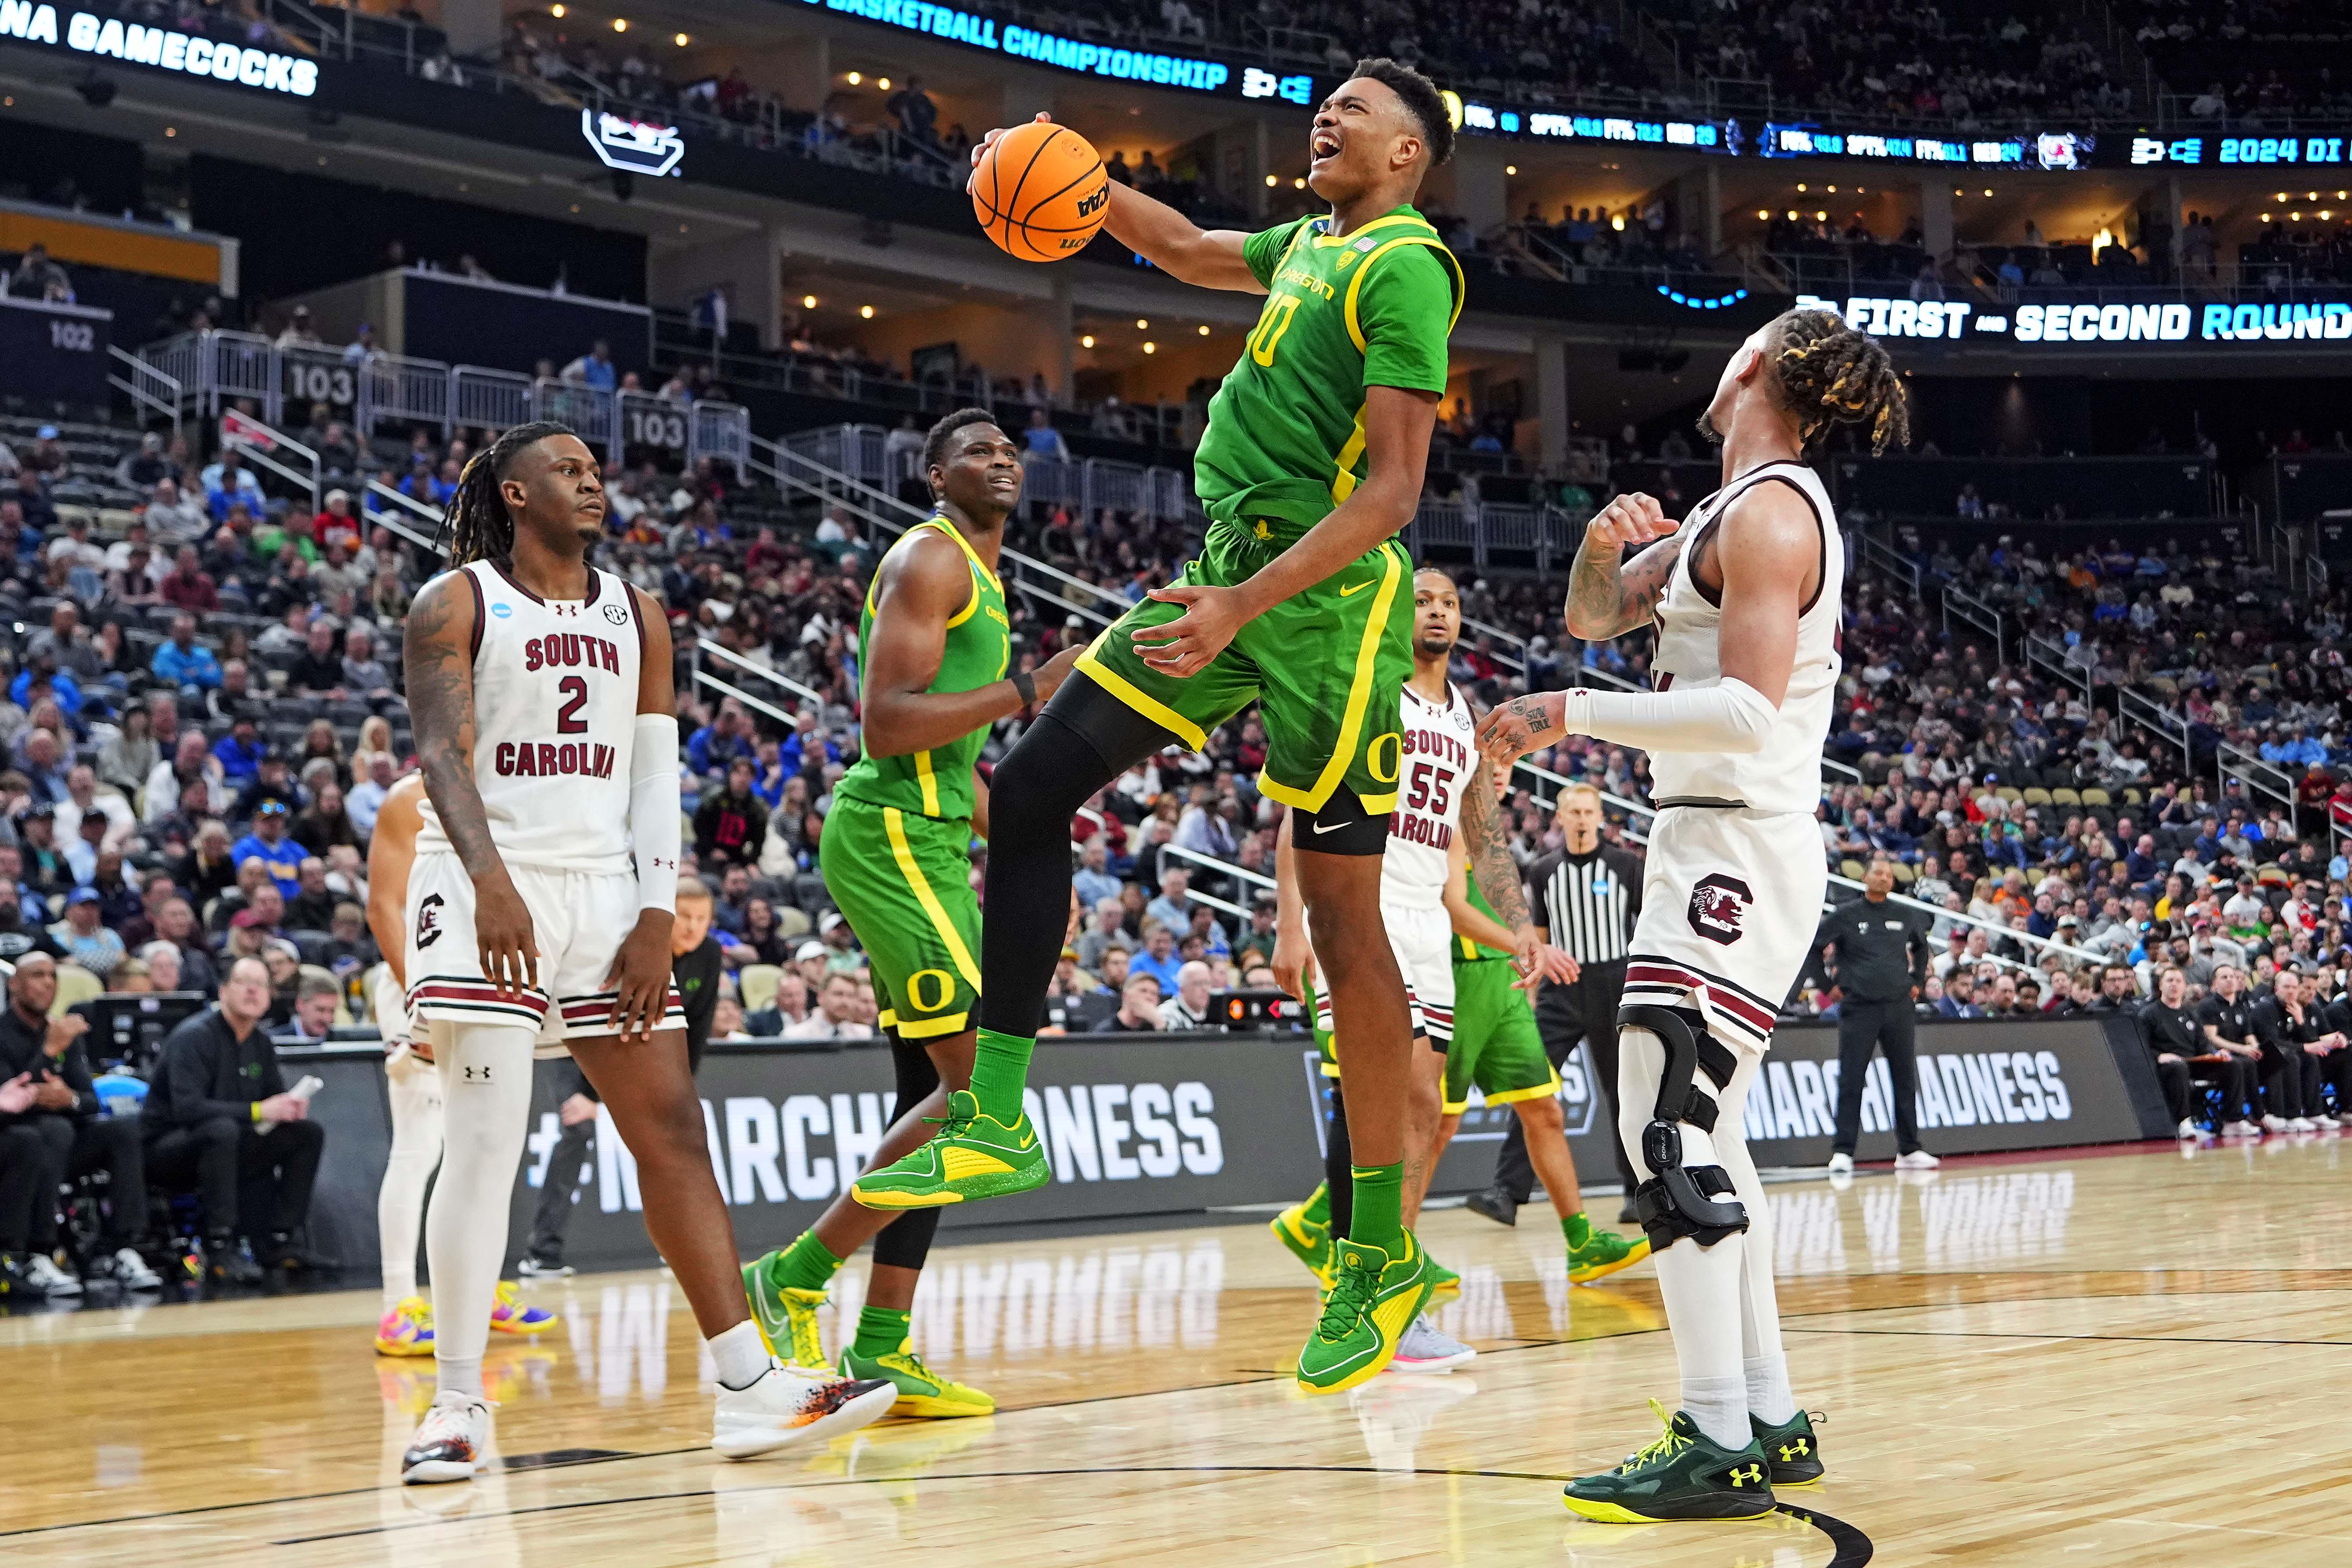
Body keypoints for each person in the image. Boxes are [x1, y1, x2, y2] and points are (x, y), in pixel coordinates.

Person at [871, 60, 1463, 1395]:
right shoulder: (1313, 240)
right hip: (1223, 576)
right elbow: (1189, 248)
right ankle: (994, 1111)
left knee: (1350, 927)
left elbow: (1390, 494)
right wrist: (1081, 174)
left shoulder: (1405, 270)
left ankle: (1375, 1254)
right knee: (1024, 794)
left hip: (1321, 612)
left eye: (1356, 112)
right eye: (1322, 103)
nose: (1326, 117)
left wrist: (1241, 605)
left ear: (1409, 156)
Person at [394, 421, 890, 1483]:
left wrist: (658, 912)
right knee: (484, 1137)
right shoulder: (458, 600)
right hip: (489, 881)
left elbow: (654, 777)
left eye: (594, 468)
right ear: (514, 493)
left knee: (671, 1127)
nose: (591, 480)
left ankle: (749, 1383)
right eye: (566, 469)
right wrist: (490, 882)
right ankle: (456, 1403)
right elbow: (439, 752)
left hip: (606, 897)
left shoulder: (640, 613)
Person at [1481, 307, 1911, 1520]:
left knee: (1662, 1123)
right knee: (1699, 1131)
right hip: (1708, 838)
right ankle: (1763, 1410)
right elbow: (1589, 614)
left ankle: (1713, 1428)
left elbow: (1746, 715)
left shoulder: (1773, 512)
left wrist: (1569, 714)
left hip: (1734, 836)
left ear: (1752, 368)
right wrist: (1596, 549)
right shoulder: (1726, 512)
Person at [752, 411, 1077, 1425]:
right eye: (978, 450)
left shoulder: (979, 578)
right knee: (982, 1105)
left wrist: (1034, 837)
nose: (1002, 460)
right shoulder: (929, 561)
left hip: (933, 837)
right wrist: (1028, 690)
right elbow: (887, 720)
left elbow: (956, 762)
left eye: (1009, 450)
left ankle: (882, 1345)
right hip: (890, 836)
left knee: (941, 1109)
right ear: (937, 475)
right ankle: (794, 1274)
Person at [522, 877, 725, 1279]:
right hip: (578, 1043)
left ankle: (681, 1247)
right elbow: (608, 1020)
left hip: (642, 1043)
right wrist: (590, 1096)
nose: (691, 925)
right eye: (683, 915)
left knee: (675, 1133)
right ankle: (542, 1253)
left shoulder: (710, 954)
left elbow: (697, 1027)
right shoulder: (635, 946)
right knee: (577, 1130)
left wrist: (683, 1088)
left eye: (701, 918)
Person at [1470, 781, 1645, 1226]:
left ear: (1600, 816)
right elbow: (1541, 938)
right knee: (1530, 1084)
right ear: (1560, 818)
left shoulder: (1627, 866)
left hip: (1614, 982)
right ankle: (1505, 1193)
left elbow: (1644, 930)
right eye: (1575, 812)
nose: (1583, 819)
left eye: (1590, 811)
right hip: (1559, 988)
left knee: (1622, 1092)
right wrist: (1532, 994)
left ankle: (1637, 1190)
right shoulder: (1544, 870)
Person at [143, 955, 328, 1284]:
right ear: (224, 991)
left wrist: (288, 1108)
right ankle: (219, 1245)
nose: (253, 991)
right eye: (245, 983)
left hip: (227, 1145)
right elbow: (187, 1109)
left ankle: (280, 1239)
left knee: (305, 1133)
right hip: (168, 1149)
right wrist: (260, 1111)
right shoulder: (194, 1037)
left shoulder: (260, 1043)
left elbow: (273, 1098)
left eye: (261, 985)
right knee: (223, 1130)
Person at [0, 953, 161, 1296]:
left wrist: (67, 1098)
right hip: (15, 1144)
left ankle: (125, 1247)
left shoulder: (65, 1032)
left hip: (64, 1143)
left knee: (123, 1129)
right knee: (42, 1133)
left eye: (52, 976)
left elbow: (89, 1101)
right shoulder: (5, 1033)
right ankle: (35, 1252)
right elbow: (12, 1098)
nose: (47, 983)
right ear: (14, 985)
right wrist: (48, 1051)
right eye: (37, 975)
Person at [1817, 857, 1936, 1174]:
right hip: (1859, 1007)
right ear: (1866, 877)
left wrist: (1916, 982)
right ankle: (1843, 1151)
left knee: (1904, 1077)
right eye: (1878, 873)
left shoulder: (1904, 913)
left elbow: (1921, 948)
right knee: (1852, 1078)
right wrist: (1827, 986)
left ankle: (1909, 1149)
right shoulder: (1845, 915)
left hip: (1898, 1006)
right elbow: (1814, 948)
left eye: (1888, 875)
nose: (1883, 878)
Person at [2149, 964, 2256, 1137]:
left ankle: (2233, 1121)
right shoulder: (2150, 1014)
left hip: (2195, 1063)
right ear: (2161, 985)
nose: (2174, 985)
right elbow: (2143, 1046)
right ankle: (2184, 1122)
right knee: (2178, 1067)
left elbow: (2203, 1043)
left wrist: (2216, 1053)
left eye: (2178, 981)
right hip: (2169, 1066)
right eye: (2170, 981)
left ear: (2184, 986)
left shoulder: (2191, 1013)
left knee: (2233, 1064)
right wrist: (2160, 1055)